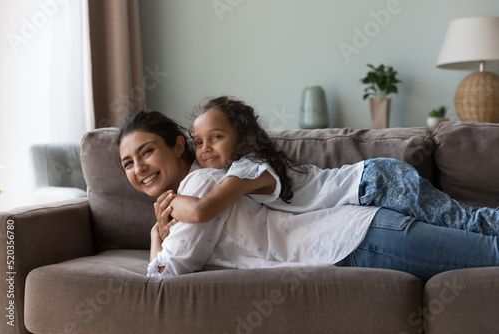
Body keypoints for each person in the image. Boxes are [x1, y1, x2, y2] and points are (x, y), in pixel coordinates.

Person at [117, 109, 499, 282]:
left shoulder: (201, 186)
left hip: (360, 239)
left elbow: (164, 279)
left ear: (178, 147)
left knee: (488, 250)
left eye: (146, 152)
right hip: (366, 229)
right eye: (127, 163)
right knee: (484, 243)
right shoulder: (222, 175)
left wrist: (156, 235)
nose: (139, 168)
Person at [161, 96, 499, 237]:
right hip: (374, 181)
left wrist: (169, 200)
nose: (204, 149)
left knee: (467, 222)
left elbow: (204, 210)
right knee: (460, 224)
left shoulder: (248, 169)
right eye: (198, 140)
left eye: (216, 137)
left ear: (244, 137)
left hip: (376, 182)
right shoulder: (242, 169)